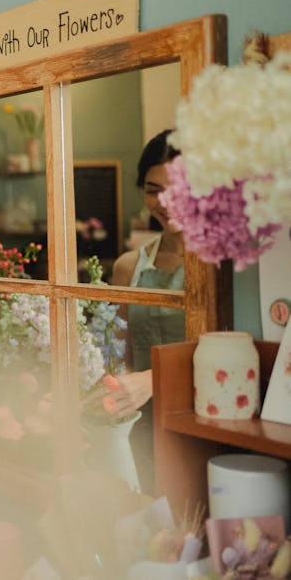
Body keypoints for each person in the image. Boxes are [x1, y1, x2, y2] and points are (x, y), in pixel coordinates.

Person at [108, 129, 185, 491]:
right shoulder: (128, 267)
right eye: (153, 190)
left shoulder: (228, 266)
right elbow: (119, 353)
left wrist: (152, 379)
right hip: (140, 428)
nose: (164, 202)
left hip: (202, 421)